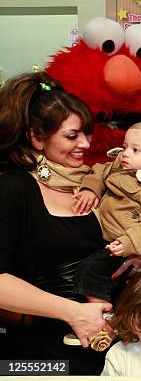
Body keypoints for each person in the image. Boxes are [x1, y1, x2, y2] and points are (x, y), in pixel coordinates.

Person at [0, 72, 113, 374]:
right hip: (36, 353)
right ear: (36, 138)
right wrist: (74, 312)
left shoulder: (93, 184)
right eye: (72, 136)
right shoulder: (13, 188)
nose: (86, 144)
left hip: (104, 348)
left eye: (87, 133)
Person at [71, 122, 141, 306]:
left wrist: (129, 243)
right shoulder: (120, 166)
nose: (125, 153)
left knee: (92, 270)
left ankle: (102, 313)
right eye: (124, 147)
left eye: (135, 150)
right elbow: (98, 171)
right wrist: (91, 189)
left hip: (125, 245)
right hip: (104, 239)